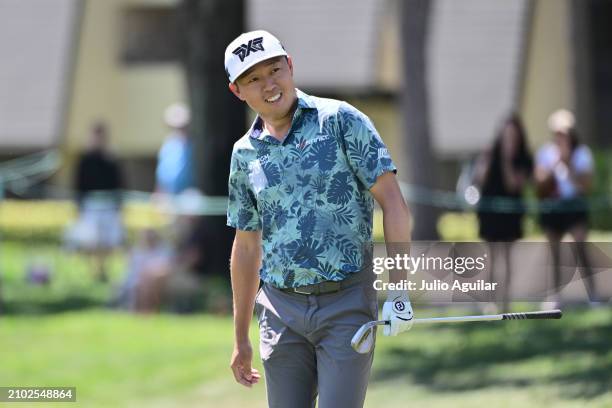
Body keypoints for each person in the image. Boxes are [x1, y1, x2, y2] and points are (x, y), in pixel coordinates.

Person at [224, 30, 414, 408]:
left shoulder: (341, 120)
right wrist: (240, 337)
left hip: (346, 302)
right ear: (237, 91)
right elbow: (246, 246)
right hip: (280, 311)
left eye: (275, 70)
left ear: (290, 66)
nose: (269, 84)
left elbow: (393, 204)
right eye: (254, 79)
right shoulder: (244, 154)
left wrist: (400, 289)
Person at [535, 109, 597, 304]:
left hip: (574, 205)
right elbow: (539, 183)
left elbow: (585, 186)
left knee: (580, 246)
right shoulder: (546, 153)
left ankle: (593, 294)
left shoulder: (582, 154)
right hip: (554, 206)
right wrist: (554, 165)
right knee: (553, 252)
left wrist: (568, 163)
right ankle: (555, 295)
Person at [474, 114, 532, 310]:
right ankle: (489, 301)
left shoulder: (523, 158)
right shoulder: (491, 153)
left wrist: (507, 159)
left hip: (511, 213)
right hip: (490, 212)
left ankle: (505, 301)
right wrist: (490, 160)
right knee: (490, 257)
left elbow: (513, 185)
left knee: (506, 257)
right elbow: (479, 179)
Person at [70, 121, 124, 281]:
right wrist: (78, 205)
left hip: (108, 204)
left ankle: (103, 269)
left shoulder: (111, 159)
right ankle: (93, 270)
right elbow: (78, 185)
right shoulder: (84, 160)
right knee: (91, 239)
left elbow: (119, 183)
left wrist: (118, 204)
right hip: (91, 205)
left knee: (107, 240)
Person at [155, 103, 195, 195]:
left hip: (187, 194)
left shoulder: (192, 146)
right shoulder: (167, 145)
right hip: (168, 194)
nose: (179, 130)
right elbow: (162, 172)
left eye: (182, 127)